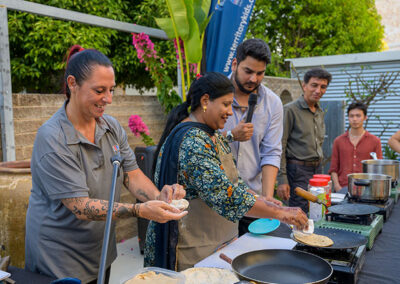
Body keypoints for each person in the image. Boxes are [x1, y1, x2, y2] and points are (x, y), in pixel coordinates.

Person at [25, 45, 187, 284]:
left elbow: (131, 174)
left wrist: (159, 197)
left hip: (100, 254)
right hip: (58, 259)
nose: (108, 99)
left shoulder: (109, 127)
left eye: (111, 90)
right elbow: (79, 206)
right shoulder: (53, 137)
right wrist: (139, 210)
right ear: (72, 83)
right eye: (99, 90)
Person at [144, 72, 308, 271]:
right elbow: (226, 196)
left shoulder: (213, 135)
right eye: (226, 104)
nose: (230, 112)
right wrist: (280, 212)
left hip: (216, 244)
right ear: (205, 101)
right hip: (190, 251)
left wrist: (262, 199)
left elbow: (235, 184)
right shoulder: (193, 142)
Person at [222, 38, 283, 236]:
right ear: (234, 64)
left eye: (260, 73)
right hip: (218, 199)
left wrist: (266, 199)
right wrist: (231, 135)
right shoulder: (213, 94)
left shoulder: (273, 103)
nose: (254, 79)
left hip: (253, 200)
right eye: (248, 71)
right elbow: (198, 140)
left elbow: (271, 152)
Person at [277, 68, 332, 213]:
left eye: (323, 87)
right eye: (314, 85)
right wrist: (282, 179)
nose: (318, 90)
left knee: (318, 210)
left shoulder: (319, 112)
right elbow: (280, 145)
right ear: (304, 85)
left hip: (317, 169)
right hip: (297, 171)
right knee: (299, 213)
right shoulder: (290, 110)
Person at [329, 102, 383, 193]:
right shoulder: (338, 141)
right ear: (348, 118)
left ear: (365, 117)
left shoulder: (375, 141)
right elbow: (333, 168)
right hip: (343, 188)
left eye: (358, 116)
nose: (354, 119)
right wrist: (337, 187)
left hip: (366, 189)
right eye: (351, 116)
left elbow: (378, 169)